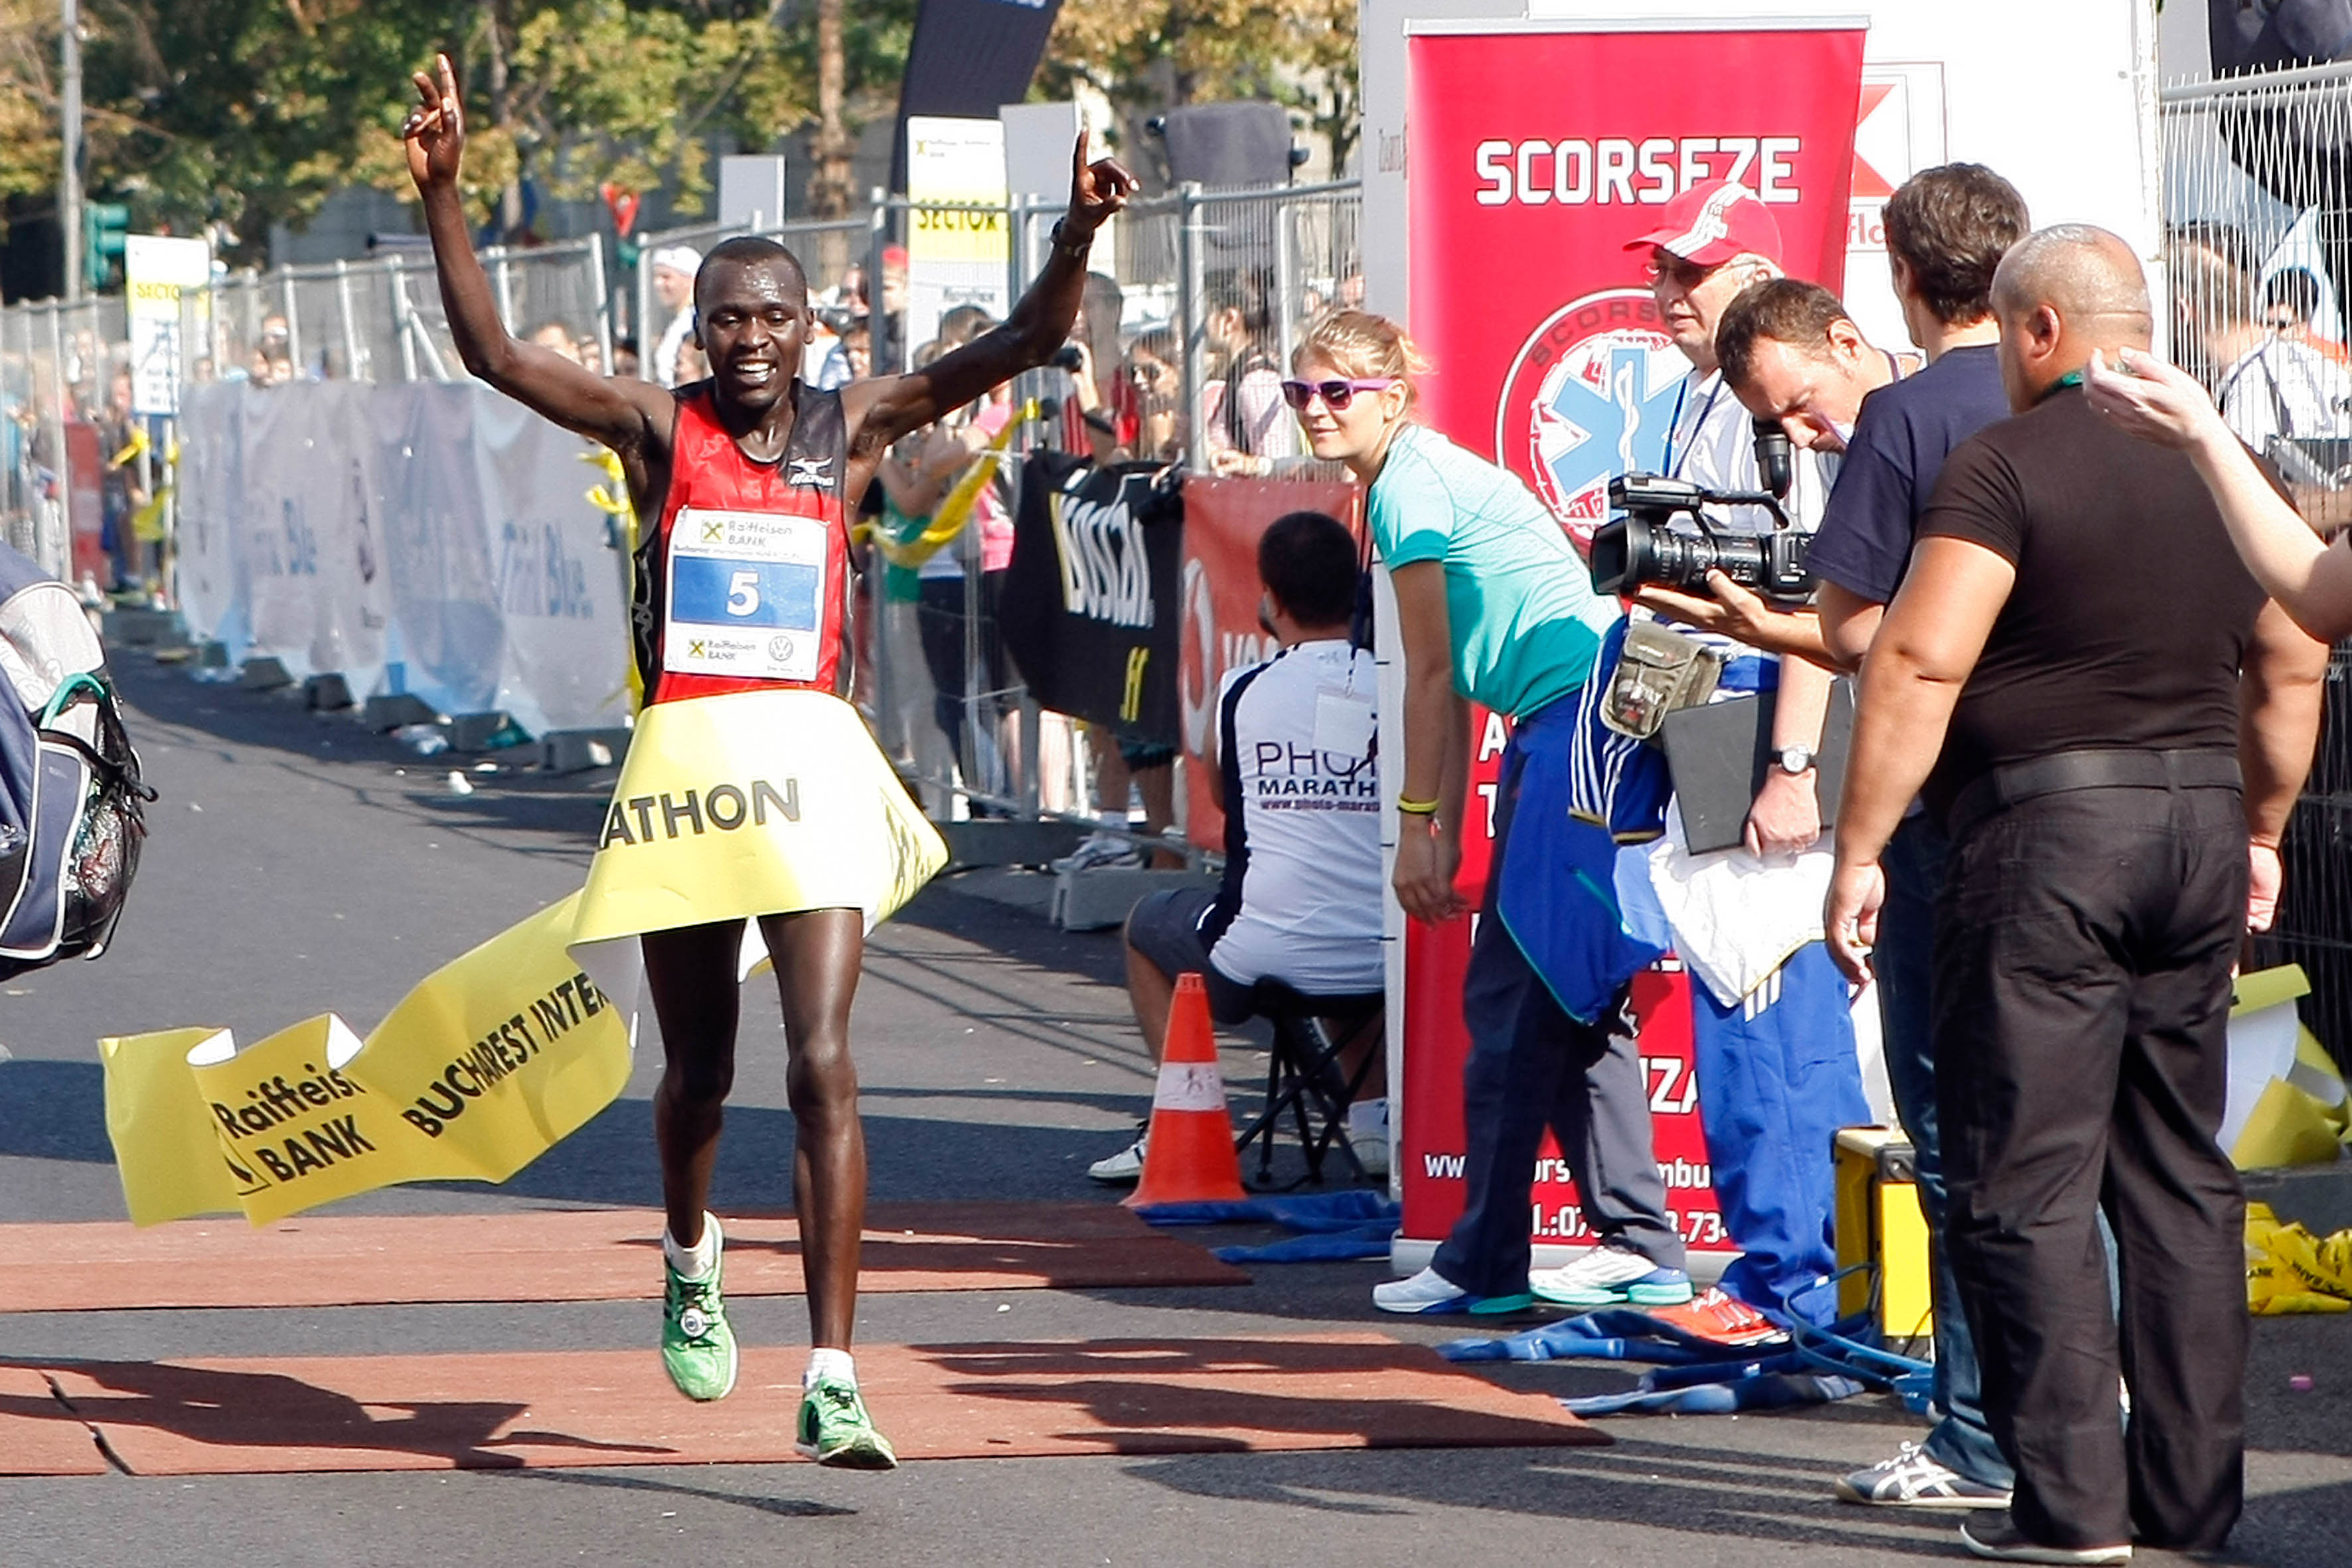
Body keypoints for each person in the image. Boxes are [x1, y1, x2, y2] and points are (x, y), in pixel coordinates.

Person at [404, 52, 1133, 1468]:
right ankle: (688, 1249)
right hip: (687, 771)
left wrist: (1077, 235)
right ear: (698, 329)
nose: (750, 337)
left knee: (823, 1062)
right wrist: (445, 197)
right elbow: (497, 357)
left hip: (807, 775)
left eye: (773, 316)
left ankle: (835, 1369)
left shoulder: (847, 425)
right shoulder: (652, 425)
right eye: (726, 316)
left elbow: (1023, 347)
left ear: (811, 327)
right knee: (699, 1074)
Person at [1824, 225, 2327, 1564]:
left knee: (2027, 1176)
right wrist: (2262, 823)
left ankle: (2070, 1509)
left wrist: (1857, 849)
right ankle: (2189, 1506)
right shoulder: (2234, 472)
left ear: (2037, 332)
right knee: (2177, 1175)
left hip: (2043, 835)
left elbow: (1918, 662)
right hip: (2196, 831)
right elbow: (2289, 666)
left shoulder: (2001, 463)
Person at [1289, 310, 1688, 1317]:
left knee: (1517, 999)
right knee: (1564, 991)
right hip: (1566, 721)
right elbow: (1453, 670)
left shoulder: (1407, 486)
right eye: (1300, 391)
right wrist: (1448, 823)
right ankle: (1629, 1241)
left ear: (1391, 395)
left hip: (1578, 723)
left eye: (1337, 391)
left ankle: (1490, 1259)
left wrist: (1421, 822)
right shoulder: (1402, 476)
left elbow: (1427, 674)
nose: (1316, 410)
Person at [1766, 163, 2027, 1512]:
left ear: (1900, 276)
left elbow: (1861, 632)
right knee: (2084, 1129)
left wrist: (1853, 843)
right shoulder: (2120, 404)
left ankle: (1981, 1428)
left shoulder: (1912, 414)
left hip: (1954, 809)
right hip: (2126, 801)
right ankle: (2082, 1404)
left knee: (1955, 1120)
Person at [1610, 182, 1866, 1326]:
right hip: (1704, 708)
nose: (1667, 291)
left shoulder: (1798, 407)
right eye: (1659, 269)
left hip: (1771, 718)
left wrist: (1790, 767)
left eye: (1691, 271)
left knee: (1769, 999)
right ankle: (1781, 1272)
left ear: (1756, 276)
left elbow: (1818, 587)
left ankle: (1796, 1281)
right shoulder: (1691, 395)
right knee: (1734, 995)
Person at [1090, 510, 1387, 1182]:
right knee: (1343, 903)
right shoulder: (1396, 685)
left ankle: (1186, 1114)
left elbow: (1229, 802)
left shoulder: (1244, 688)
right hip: (1383, 957)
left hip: (1260, 953)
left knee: (1143, 926)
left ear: (1271, 600)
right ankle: (1374, 1122)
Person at [2215, 268, 2352, 462]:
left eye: (2281, 325)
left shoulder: (2331, 366)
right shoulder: (2249, 371)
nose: (2269, 332)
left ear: (2303, 328)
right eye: (2265, 323)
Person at [647, 244, 702, 389]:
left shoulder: (697, 322)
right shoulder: (678, 324)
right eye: (656, 277)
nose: (658, 284)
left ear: (690, 279)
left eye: (666, 277)